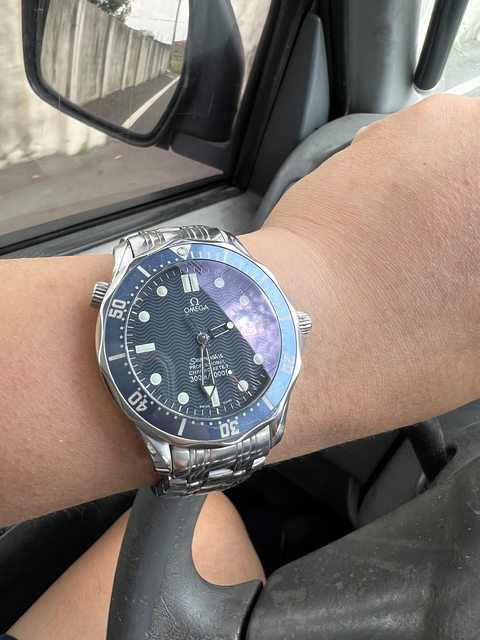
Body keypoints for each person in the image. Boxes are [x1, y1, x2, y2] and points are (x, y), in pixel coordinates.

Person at [2, 94, 480, 638]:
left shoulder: (260, 326)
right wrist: (334, 283)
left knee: (205, 517)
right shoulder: (143, 313)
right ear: (105, 301)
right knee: (209, 518)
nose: (214, 329)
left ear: (294, 323)